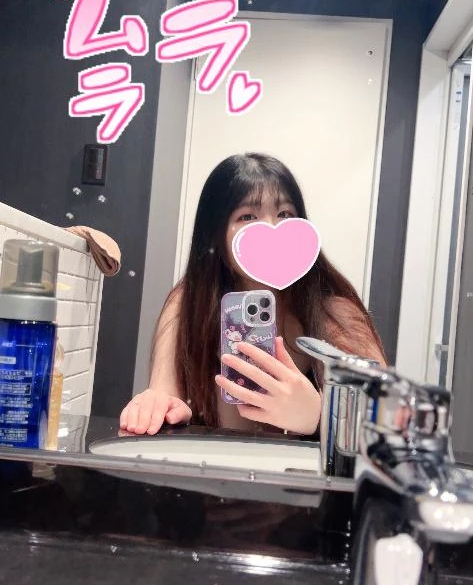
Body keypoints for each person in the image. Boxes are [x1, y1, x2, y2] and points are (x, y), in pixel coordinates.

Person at [120, 153, 386, 438]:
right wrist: (159, 409)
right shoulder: (187, 304)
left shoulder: (334, 312)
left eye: (285, 214)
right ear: (215, 234)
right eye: (247, 216)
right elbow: (164, 394)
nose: (272, 228)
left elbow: (383, 420)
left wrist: (320, 418)